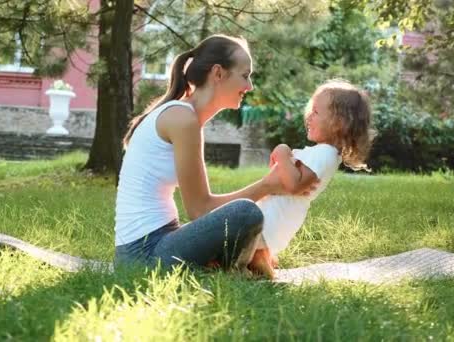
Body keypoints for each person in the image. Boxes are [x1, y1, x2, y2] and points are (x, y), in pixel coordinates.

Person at [114, 34, 316, 272]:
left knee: (242, 214)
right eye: (245, 75)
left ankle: (235, 265)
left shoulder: (183, 116)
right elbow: (199, 210)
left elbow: (201, 211)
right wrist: (266, 186)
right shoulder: (182, 118)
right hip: (143, 255)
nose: (249, 86)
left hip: (157, 243)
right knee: (246, 212)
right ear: (218, 73)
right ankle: (239, 269)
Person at [247, 80, 375, 279]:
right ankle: (262, 256)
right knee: (247, 242)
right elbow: (284, 178)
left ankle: (261, 261)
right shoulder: (323, 153)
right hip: (280, 212)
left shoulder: (325, 153)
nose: (308, 117)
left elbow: (295, 185)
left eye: (315, 112)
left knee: (248, 244)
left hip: (278, 215)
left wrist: (282, 152)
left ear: (338, 123)